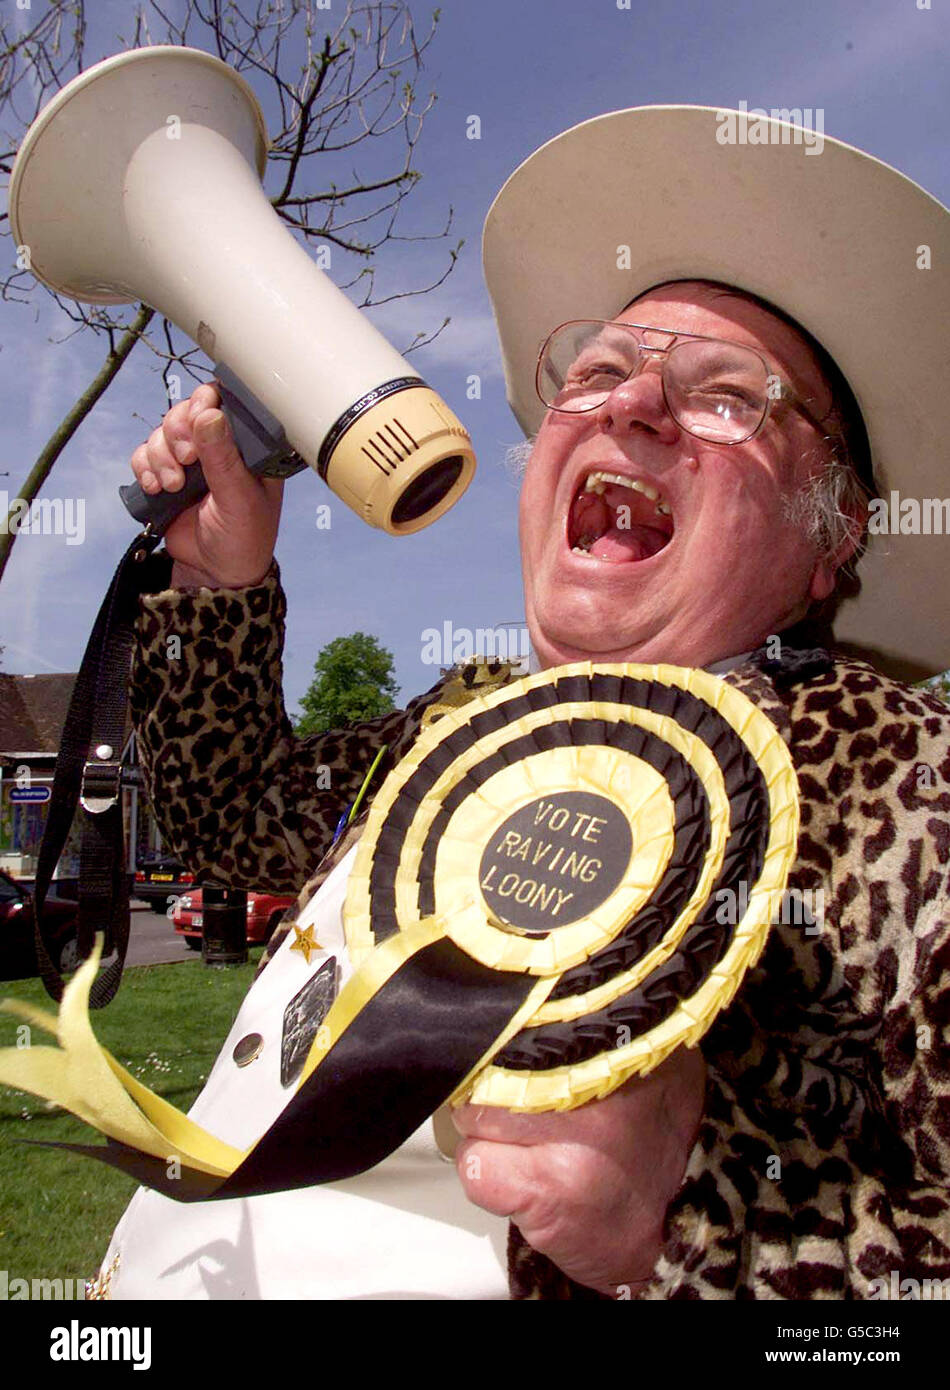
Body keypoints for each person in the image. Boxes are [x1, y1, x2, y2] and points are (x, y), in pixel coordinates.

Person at [91, 105, 950, 1300]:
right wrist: (218, 582)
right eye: (594, 368)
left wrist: (674, 1238)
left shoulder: (916, 786)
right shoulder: (460, 717)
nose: (628, 404)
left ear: (832, 536)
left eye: (725, 398)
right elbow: (229, 822)